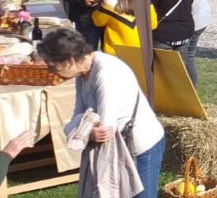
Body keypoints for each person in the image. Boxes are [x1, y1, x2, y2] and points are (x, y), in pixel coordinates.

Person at [39, 28, 165, 198]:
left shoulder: (106, 73)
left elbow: (105, 128)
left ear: (69, 61)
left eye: (52, 65)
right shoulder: (82, 73)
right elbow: (78, 115)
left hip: (141, 146)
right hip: (119, 146)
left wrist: (82, 131)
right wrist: (85, 131)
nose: (50, 70)